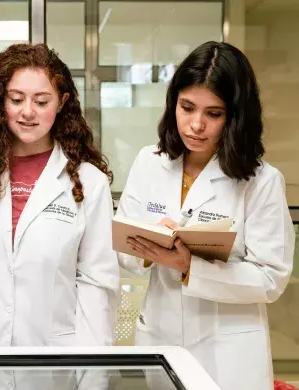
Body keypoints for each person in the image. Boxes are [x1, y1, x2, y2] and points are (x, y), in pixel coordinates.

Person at [116, 41, 295, 390]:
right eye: (187, 107)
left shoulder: (261, 181)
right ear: (173, 104)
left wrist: (190, 267)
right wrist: (153, 247)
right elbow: (123, 251)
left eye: (213, 114)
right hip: (162, 337)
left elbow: (271, 278)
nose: (196, 124)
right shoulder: (149, 162)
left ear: (235, 116)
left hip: (229, 350)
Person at [0, 43, 120, 348]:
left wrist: (92, 365)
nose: (27, 112)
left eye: (42, 102)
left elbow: (97, 282)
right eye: (16, 99)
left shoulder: (89, 182)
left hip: (54, 351)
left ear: (61, 102)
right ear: (0, 102)